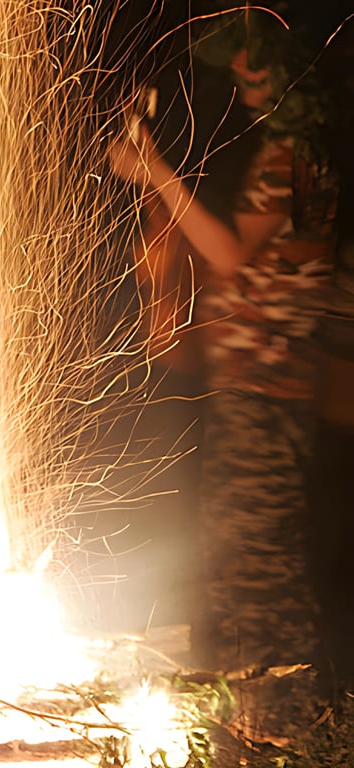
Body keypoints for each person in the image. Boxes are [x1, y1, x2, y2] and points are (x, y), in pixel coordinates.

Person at [108, 11, 341, 744]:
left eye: (254, 66)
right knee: (235, 555)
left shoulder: (297, 157)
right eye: (235, 64)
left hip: (270, 391)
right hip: (253, 386)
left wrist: (157, 175)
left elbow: (234, 255)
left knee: (259, 564)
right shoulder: (289, 150)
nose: (242, 78)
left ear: (288, 72)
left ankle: (289, 729)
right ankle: (254, 726)